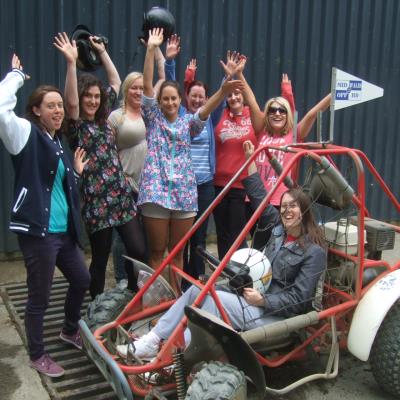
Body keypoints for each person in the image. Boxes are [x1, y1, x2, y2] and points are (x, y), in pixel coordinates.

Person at [117, 140, 327, 359]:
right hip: (255, 299)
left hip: (276, 315)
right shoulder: (279, 230)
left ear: (305, 211)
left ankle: (169, 358)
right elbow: (259, 199)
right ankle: (153, 340)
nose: (286, 211)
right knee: (197, 289)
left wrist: (263, 300)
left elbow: (299, 299)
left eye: (293, 206)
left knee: (211, 304)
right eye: (284, 206)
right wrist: (250, 162)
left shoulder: (314, 251)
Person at [0, 54, 91, 377]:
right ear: (36, 109)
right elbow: (0, 109)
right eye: (50, 105)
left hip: (62, 234)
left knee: (82, 279)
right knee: (39, 296)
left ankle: (68, 329)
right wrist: (15, 75)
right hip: (38, 233)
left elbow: (55, 189)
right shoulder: (24, 134)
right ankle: (37, 354)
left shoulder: (56, 142)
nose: (58, 111)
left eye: (60, 106)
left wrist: (76, 173)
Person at [138, 28, 244, 294]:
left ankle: (173, 303)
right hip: (156, 193)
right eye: (166, 99)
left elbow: (207, 109)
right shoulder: (153, 118)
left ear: (179, 101)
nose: (170, 102)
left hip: (185, 194)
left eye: (173, 98)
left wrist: (223, 88)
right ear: (160, 102)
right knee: (155, 253)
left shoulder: (189, 123)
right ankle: (153, 304)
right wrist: (151, 50)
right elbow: (148, 86)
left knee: (177, 253)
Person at [54, 32, 146, 299]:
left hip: (121, 197)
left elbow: (116, 81)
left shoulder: (105, 120)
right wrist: (72, 64)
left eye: (96, 96)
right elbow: (70, 102)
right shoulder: (77, 126)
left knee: (137, 250)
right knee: (100, 258)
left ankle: (130, 295)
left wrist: (101, 51)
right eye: (88, 97)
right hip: (97, 202)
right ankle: (95, 308)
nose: (93, 100)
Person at [163, 35, 223, 289]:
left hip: (205, 184)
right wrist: (170, 62)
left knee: (199, 235)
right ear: (186, 98)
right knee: (182, 236)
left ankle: (194, 279)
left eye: (202, 97)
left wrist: (228, 77)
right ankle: (178, 281)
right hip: (183, 186)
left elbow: (221, 97)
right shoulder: (182, 117)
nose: (198, 100)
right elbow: (170, 87)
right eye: (194, 96)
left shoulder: (209, 117)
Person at [237, 62, 331, 206]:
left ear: (288, 115)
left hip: (281, 201)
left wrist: (335, 93)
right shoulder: (261, 131)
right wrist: (239, 74)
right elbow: (251, 100)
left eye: (282, 111)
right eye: (272, 110)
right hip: (256, 198)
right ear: (267, 114)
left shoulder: (295, 135)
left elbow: (313, 114)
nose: (277, 113)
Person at [212, 51, 259, 260]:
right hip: (219, 184)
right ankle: (224, 272)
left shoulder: (252, 116)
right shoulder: (220, 115)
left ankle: (239, 273)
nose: (233, 97)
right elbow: (218, 98)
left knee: (238, 235)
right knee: (222, 234)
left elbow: (251, 98)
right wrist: (227, 79)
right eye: (230, 95)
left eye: (237, 94)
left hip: (241, 186)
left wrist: (239, 76)